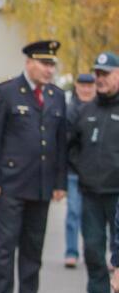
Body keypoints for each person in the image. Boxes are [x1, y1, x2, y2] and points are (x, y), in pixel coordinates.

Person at [0, 40, 67, 293]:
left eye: (52, 64)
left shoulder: (56, 96)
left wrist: (59, 183)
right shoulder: (6, 91)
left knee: (33, 253)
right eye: (44, 63)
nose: (49, 70)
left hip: (41, 186)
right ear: (29, 62)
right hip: (11, 185)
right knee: (6, 250)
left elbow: (60, 142)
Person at [69, 53, 119, 293]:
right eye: (97, 73)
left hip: (117, 196)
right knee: (92, 252)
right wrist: (84, 170)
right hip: (91, 195)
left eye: (105, 74)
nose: (100, 79)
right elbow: (71, 146)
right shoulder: (86, 110)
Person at [65, 72, 96, 269]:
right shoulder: (70, 110)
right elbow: (67, 143)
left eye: (89, 86)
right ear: (76, 86)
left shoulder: (101, 108)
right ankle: (71, 252)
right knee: (74, 213)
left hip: (96, 174)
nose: (86, 89)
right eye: (82, 86)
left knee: (94, 216)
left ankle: (92, 252)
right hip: (74, 172)